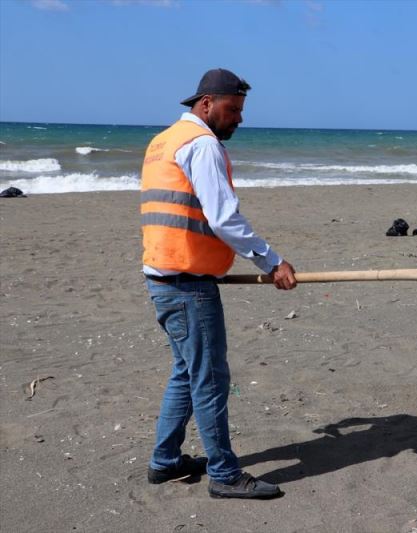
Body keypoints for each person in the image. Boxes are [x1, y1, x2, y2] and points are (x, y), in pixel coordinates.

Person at [141, 68, 297, 499]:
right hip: (187, 284)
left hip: (164, 277)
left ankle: (166, 462)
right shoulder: (202, 145)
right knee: (209, 379)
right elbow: (224, 218)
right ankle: (225, 475)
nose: (239, 120)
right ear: (206, 103)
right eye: (233, 110)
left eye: (241, 111)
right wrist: (272, 260)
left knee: (185, 374)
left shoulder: (163, 141)